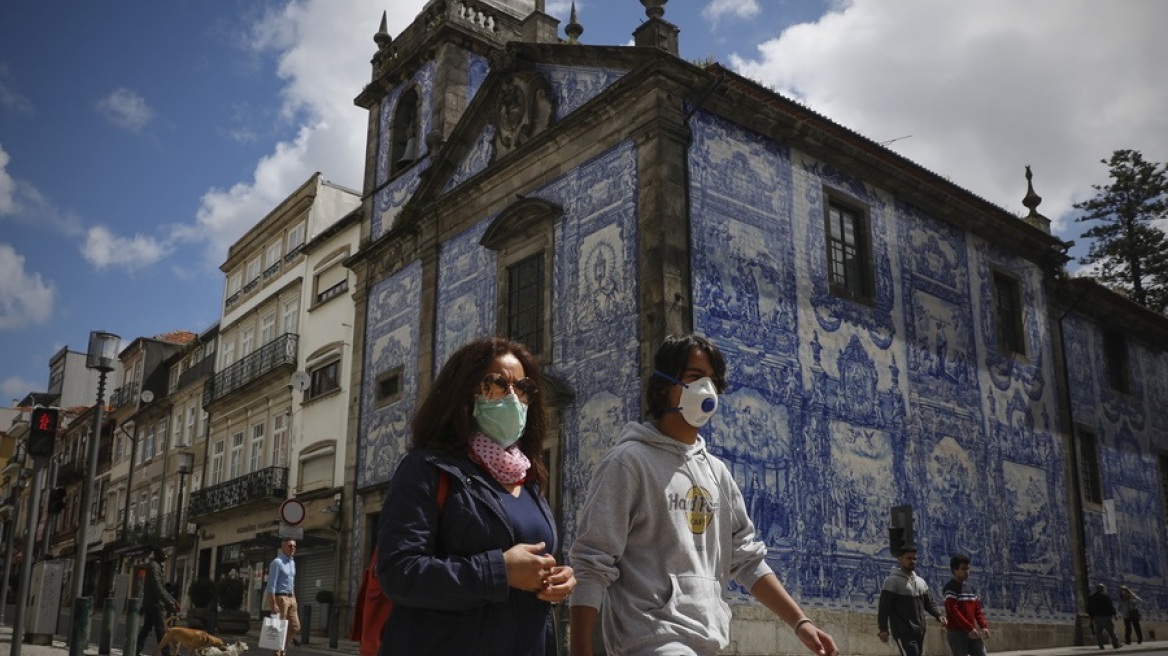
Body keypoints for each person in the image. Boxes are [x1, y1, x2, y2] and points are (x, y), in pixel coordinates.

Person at [569, 334, 838, 656]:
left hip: (708, 641)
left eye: (713, 381)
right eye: (695, 378)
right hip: (653, 640)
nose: (707, 390)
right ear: (663, 387)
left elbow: (747, 559)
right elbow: (591, 563)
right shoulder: (628, 463)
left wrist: (800, 623)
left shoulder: (717, 473)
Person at [376, 337, 575, 655]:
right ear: (462, 393)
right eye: (495, 384)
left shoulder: (529, 479)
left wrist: (555, 579)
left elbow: (528, 562)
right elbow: (400, 572)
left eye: (523, 388)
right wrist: (500, 572)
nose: (512, 397)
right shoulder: (427, 469)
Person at [877, 545, 947, 656]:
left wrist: (939, 615)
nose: (912, 561)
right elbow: (884, 607)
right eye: (908, 558)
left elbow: (929, 603)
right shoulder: (892, 581)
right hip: (903, 632)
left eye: (914, 558)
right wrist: (883, 628)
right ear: (901, 558)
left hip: (919, 631)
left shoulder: (920, 582)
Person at [942, 555, 989, 656]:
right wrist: (969, 628)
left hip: (972, 631)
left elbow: (977, 610)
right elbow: (954, 612)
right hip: (957, 633)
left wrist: (983, 626)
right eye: (963, 568)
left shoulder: (971, 588)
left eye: (968, 568)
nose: (967, 571)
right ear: (955, 570)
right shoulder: (950, 588)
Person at [137, 546, 180, 656]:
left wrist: (173, 601)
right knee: (161, 630)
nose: (166, 555)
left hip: (152, 603)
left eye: (166, 553)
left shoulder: (156, 566)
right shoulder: (154, 567)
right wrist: (168, 602)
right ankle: (166, 653)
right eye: (163, 553)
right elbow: (158, 588)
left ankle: (135, 649)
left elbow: (161, 588)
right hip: (155, 604)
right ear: (157, 554)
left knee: (147, 628)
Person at [267, 538, 301, 656]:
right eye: (290, 546)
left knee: (295, 626)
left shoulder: (292, 562)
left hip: (291, 598)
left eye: (294, 546)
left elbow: (292, 582)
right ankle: (278, 652)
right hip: (280, 598)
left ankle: (283, 647)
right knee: (279, 628)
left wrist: (294, 599)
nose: (293, 548)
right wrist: (273, 604)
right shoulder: (277, 562)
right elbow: (271, 585)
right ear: (283, 548)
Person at [1087, 583, 1121, 650]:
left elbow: (1089, 608)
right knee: (1111, 631)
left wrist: (1091, 617)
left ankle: (1101, 645)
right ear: (1102, 589)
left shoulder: (1092, 597)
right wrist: (1115, 614)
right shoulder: (1105, 596)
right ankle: (1116, 644)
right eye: (1104, 588)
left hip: (1096, 617)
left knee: (1099, 632)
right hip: (1105, 616)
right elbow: (1110, 606)